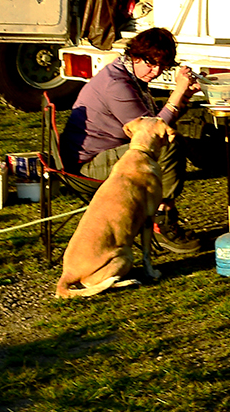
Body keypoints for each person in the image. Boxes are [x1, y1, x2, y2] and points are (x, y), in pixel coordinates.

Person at [60, 28, 200, 206]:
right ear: (135, 56)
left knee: (170, 141)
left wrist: (184, 96)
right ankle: (162, 212)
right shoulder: (116, 85)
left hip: (99, 154)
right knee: (169, 146)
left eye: (162, 66)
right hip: (85, 167)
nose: (156, 71)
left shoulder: (127, 74)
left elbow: (154, 120)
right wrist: (178, 91)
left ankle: (159, 209)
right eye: (151, 64)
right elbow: (153, 132)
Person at [56, 119, 173, 298]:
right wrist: (148, 266)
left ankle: (90, 279)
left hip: (75, 262)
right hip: (98, 266)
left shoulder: (123, 165)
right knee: (126, 259)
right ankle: (119, 276)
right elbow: (148, 223)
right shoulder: (146, 174)